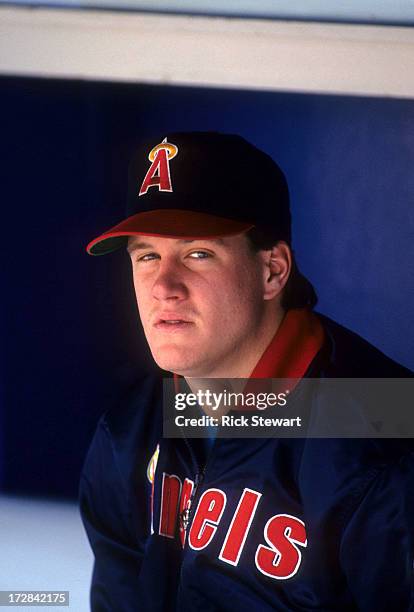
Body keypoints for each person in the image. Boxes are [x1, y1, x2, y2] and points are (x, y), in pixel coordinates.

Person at [80, 132, 414, 611]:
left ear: (273, 271)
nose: (164, 287)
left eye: (198, 254)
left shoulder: (386, 442)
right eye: (147, 256)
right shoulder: (128, 431)